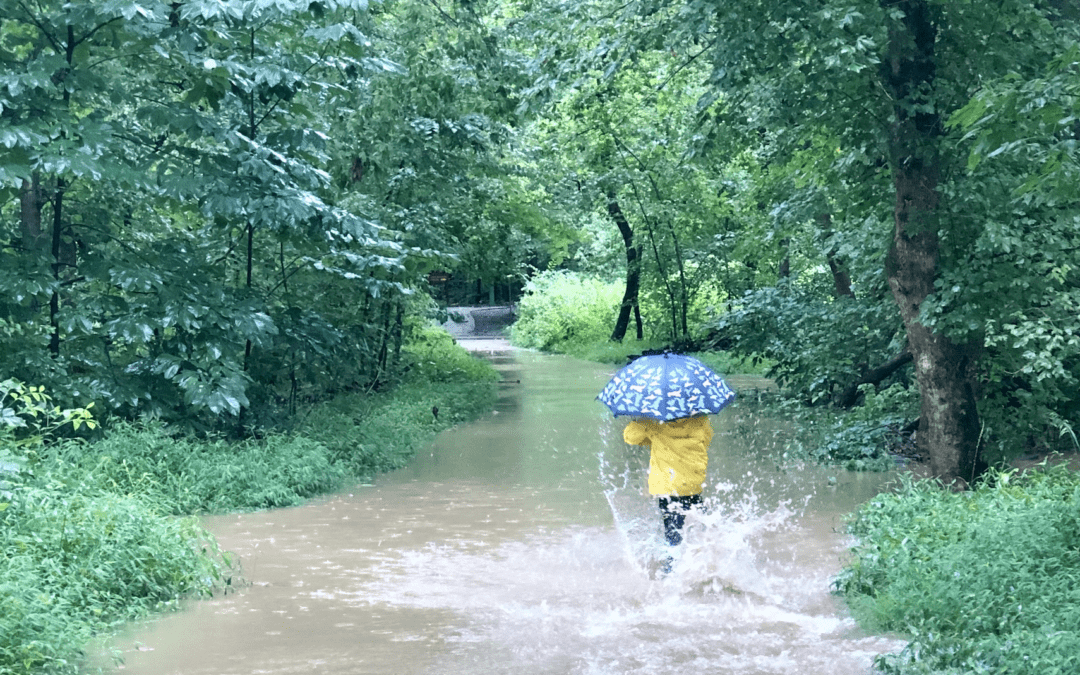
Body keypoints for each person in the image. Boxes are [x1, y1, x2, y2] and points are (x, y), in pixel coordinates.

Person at [623, 414, 713, 553]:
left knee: (672, 531)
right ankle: (704, 556)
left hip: (668, 487)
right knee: (697, 523)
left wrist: (637, 421)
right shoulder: (701, 419)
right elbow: (706, 441)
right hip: (692, 484)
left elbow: (630, 437)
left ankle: (671, 568)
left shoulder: (653, 421)